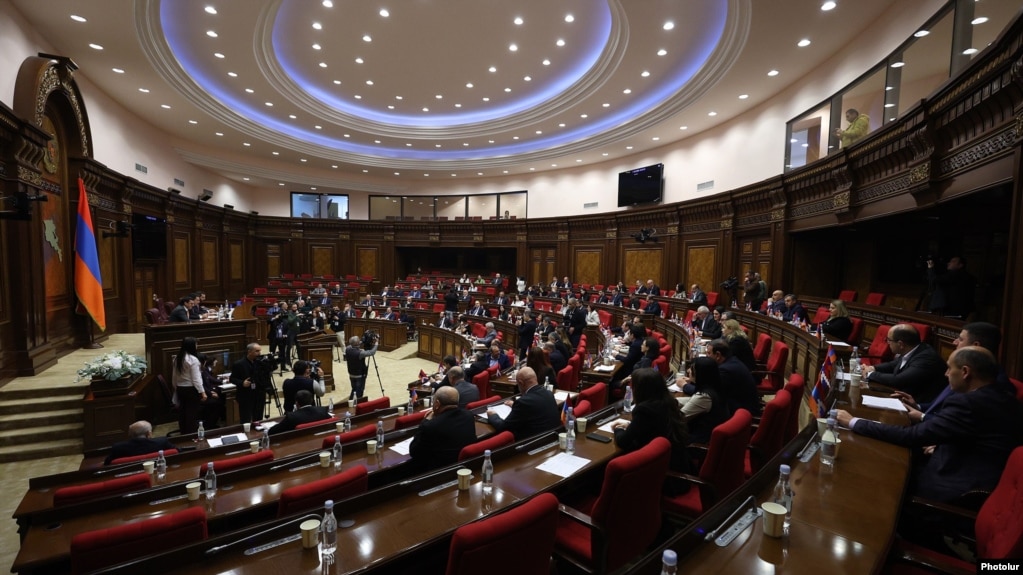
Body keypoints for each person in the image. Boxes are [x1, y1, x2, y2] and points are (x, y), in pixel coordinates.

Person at [836, 347, 1023, 503]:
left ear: (965, 372)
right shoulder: (1005, 398)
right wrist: (942, 443)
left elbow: (912, 436)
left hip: (954, 488)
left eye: (949, 368)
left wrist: (854, 422)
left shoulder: (968, 403)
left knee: (873, 475)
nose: (946, 374)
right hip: (980, 474)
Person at [611, 368, 691, 475]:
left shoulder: (644, 410)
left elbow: (623, 441)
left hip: (661, 471)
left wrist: (618, 429)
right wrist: (629, 425)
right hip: (677, 461)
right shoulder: (669, 402)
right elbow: (651, 426)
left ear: (639, 389)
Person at [862, 323, 947, 403]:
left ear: (901, 344)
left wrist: (870, 374)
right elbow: (894, 364)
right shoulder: (913, 349)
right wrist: (873, 368)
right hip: (904, 395)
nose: (888, 343)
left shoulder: (926, 358)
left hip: (919, 404)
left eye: (889, 340)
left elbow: (899, 380)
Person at [407, 386, 478, 474]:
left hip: (438, 473)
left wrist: (426, 421)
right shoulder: (469, 416)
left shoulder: (431, 426)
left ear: (437, 404)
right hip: (465, 467)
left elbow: (414, 452)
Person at [486, 367, 561, 439]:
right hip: (552, 438)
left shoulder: (523, 402)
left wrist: (493, 415)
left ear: (521, 383)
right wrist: (515, 405)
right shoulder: (548, 393)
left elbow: (503, 427)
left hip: (531, 443)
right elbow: (534, 408)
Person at [680, 357, 731, 444]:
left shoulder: (704, 397)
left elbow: (679, 418)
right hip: (707, 434)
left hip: (698, 441)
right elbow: (692, 401)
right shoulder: (715, 388)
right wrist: (672, 401)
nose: (688, 371)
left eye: (692, 369)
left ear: (700, 374)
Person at [707, 339, 761, 417]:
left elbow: (709, 392)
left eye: (709, 353)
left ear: (718, 355)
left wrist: (688, 384)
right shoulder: (732, 361)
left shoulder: (726, 369)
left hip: (743, 413)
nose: (707, 356)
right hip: (740, 405)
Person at [172, 336, 206, 435]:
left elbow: (174, 376)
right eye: (196, 344)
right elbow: (196, 379)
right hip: (191, 390)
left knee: (183, 414)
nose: (197, 346)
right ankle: (191, 436)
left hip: (180, 389)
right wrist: (202, 392)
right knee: (191, 414)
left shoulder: (178, 358)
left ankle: (184, 435)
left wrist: (176, 387)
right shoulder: (193, 360)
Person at [104, 421, 176, 465]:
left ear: (129, 434)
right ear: (149, 434)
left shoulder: (118, 447)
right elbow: (177, 452)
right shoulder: (162, 442)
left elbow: (107, 464)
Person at [229, 342, 268, 424]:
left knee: (258, 418)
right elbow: (232, 379)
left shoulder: (260, 363)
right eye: (257, 351)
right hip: (245, 395)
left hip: (259, 394)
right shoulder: (239, 364)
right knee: (245, 419)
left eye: (260, 351)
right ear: (249, 351)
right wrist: (242, 383)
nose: (259, 353)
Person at [344, 334, 378, 400]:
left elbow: (354, 344)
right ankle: (356, 403)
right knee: (359, 393)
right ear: (357, 344)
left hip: (351, 374)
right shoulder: (360, 353)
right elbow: (372, 352)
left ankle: (350, 402)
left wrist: (364, 341)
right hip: (359, 375)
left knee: (354, 389)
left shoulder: (347, 349)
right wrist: (376, 343)